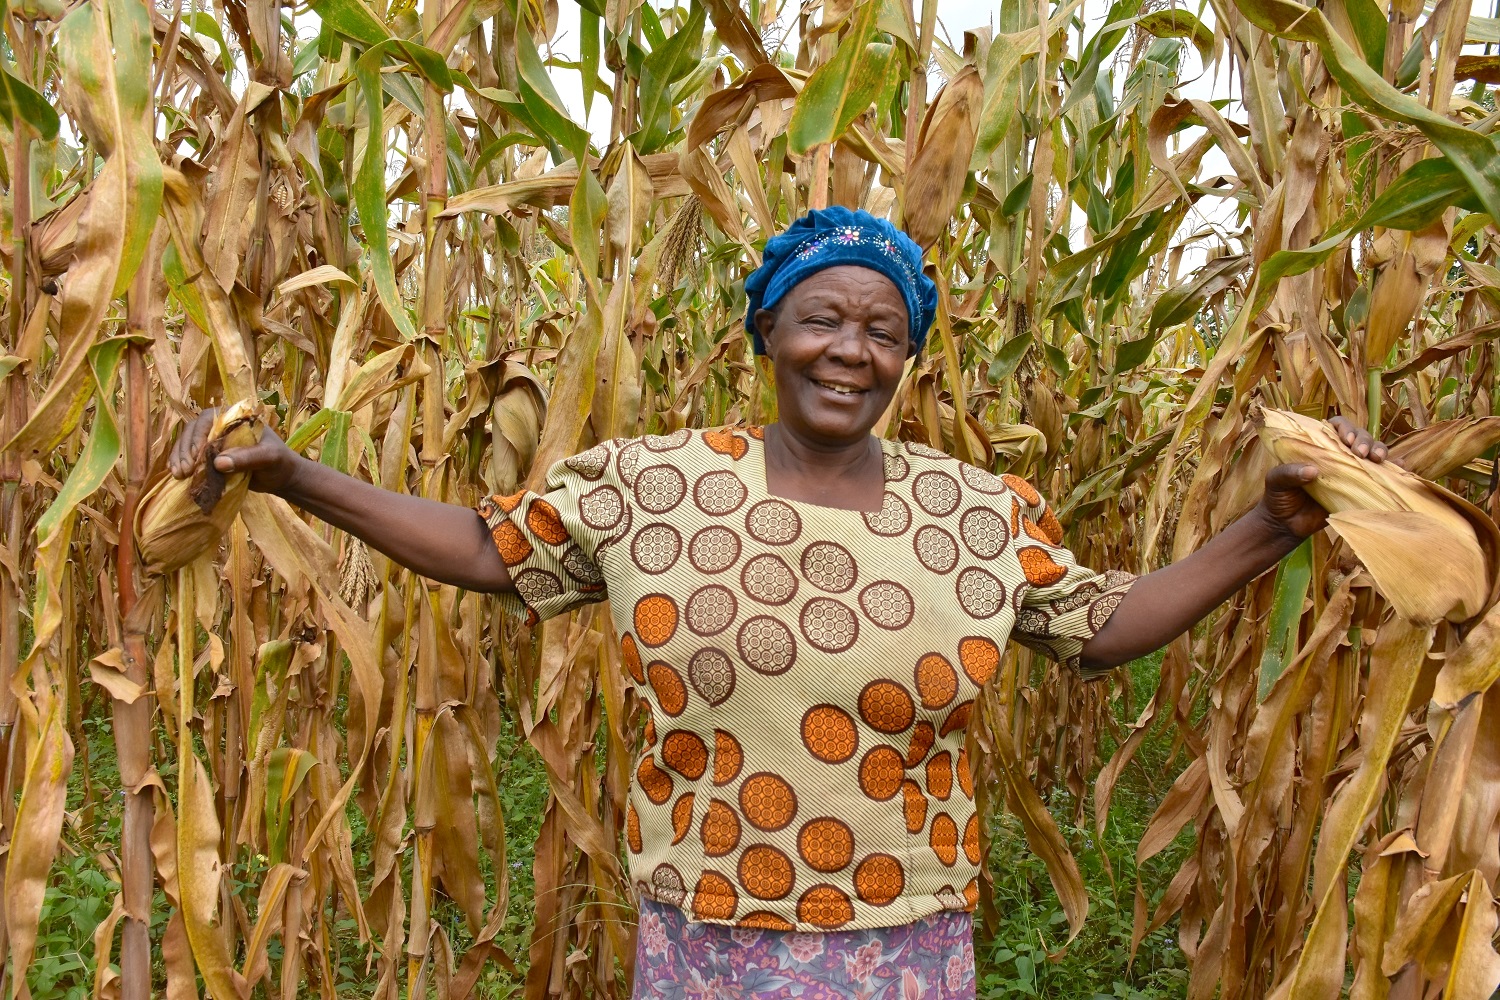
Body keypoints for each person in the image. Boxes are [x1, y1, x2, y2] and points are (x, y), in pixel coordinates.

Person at [171, 207, 1389, 998]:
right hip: (708, 934)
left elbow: (1098, 625)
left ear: (906, 358)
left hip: (903, 938)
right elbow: (490, 549)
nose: (850, 350)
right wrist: (296, 476)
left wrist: (1270, 527)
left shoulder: (974, 509)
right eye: (823, 319)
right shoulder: (655, 483)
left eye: (883, 329)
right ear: (769, 329)